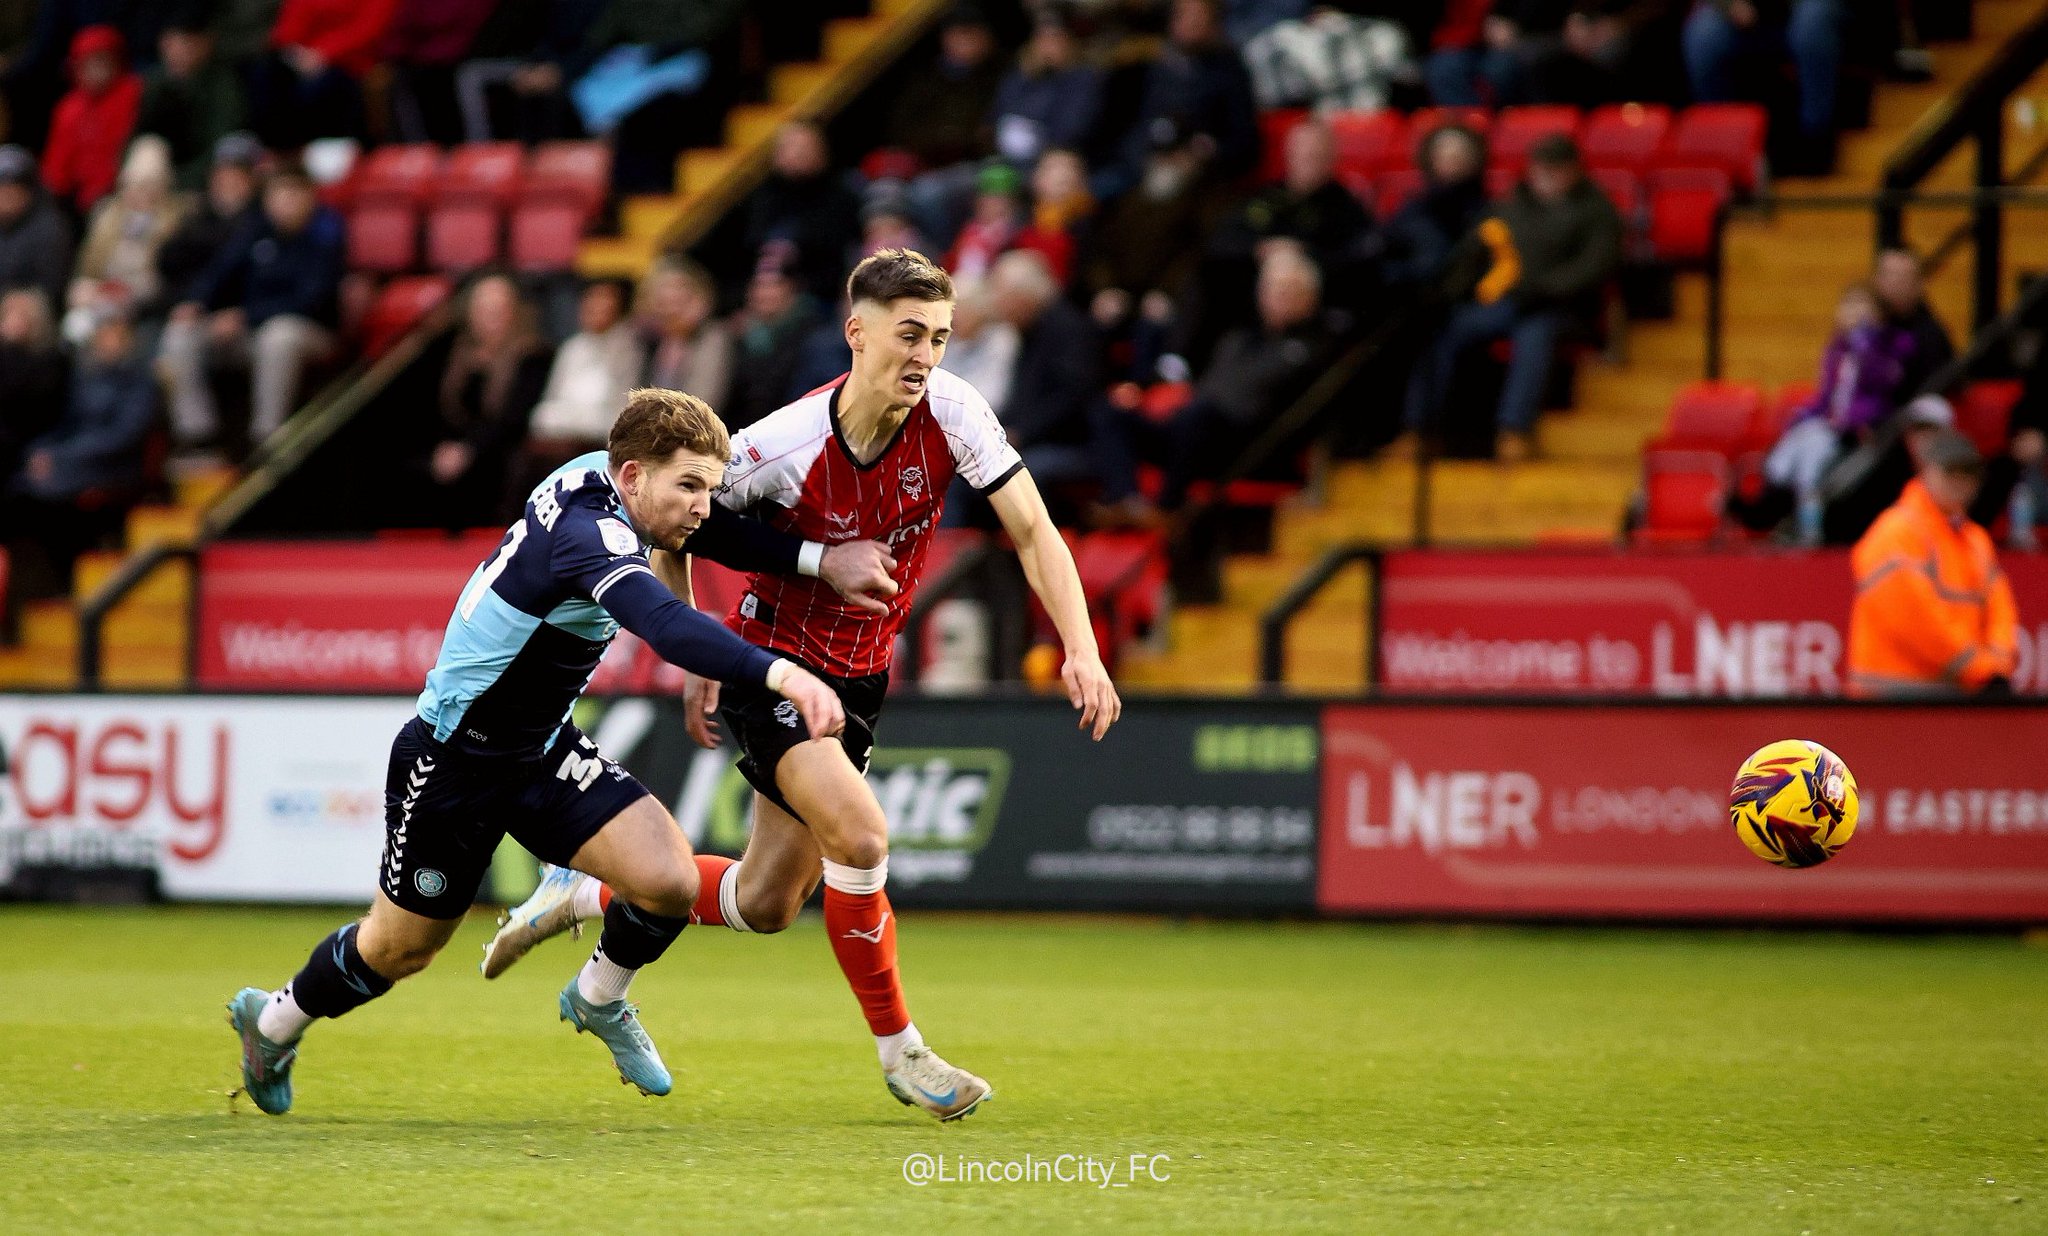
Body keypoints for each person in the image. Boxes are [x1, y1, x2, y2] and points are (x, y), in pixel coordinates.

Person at [482, 249, 1124, 1123]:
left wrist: (1080, 649)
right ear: (856, 333)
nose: (925, 357)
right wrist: (700, 650)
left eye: (938, 337)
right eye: (908, 335)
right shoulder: (779, 446)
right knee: (862, 837)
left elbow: (1035, 528)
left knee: (768, 900)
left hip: (861, 679)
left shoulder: (956, 410)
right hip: (774, 662)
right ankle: (905, 1055)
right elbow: (678, 521)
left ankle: (587, 905)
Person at [225, 388, 870, 1116]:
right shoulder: (589, 534)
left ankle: (598, 997)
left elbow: (705, 536)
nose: (702, 505)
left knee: (668, 880)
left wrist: (818, 559)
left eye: (710, 487)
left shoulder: (610, 479)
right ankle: (272, 1022)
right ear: (633, 477)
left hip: (538, 749)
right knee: (399, 949)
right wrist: (776, 669)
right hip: (451, 761)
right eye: (689, 485)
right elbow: (657, 619)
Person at [1399, 133, 1620, 461]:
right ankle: (1418, 431)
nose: (1547, 177)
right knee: (1445, 329)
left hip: (1564, 309)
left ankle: (1514, 431)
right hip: (1506, 302)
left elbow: (1594, 266)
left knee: (1535, 333)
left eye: (1556, 169)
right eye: (1542, 169)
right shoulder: (1510, 206)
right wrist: (1450, 290)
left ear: (1574, 171)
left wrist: (1545, 289)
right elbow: (1474, 252)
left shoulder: (1597, 211)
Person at [1095, 245, 1336, 516]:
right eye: (1273, 288)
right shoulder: (1238, 340)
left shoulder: (1317, 346)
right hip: (1195, 433)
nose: (1279, 297)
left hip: (1252, 445)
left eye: (1289, 290)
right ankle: (1127, 501)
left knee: (1200, 414)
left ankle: (1166, 510)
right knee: (1111, 410)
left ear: (1310, 297)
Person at [159, 162, 344, 454]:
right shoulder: (256, 231)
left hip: (310, 332)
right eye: (279, 194)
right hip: (249, 332)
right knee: (181, 334)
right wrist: (196, 304)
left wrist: (246, 316)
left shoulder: (325, 233)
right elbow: (219, 272)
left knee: (279, 336)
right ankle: (197, 436)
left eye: (294, 194)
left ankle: (267, 437)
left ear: (310, 197)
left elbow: (311, 300)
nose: (286, 202)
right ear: (268, 198)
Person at [1846, 428, 2017, 698]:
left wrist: (1997, 667)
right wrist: (1981, 670)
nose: (1960, 483)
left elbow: (2000, 611)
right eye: (1951, 473)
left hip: (1956, 698)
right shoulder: (1896, 532)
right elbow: (1916, 619)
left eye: (1968, 475)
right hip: (1890, 703)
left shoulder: (1976, 540)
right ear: (1926, 472)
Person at [1762, 283, 1917, 545]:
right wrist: (1805, 415)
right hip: (1830, 424)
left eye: (1861, 305)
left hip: (1859, 428)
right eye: (1849, 305)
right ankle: (1772, 505)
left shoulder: (1892, 344)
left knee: (1813, 451)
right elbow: (1827, 397)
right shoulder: (1836, 350)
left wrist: (1866, 344)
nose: (1854, 312)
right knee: (1794, 446)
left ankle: (1809, 522)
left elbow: (1884, 386)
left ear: (1878, 313)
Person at [420, 272, 551, 525]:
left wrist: (468, 450)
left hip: (499, 449)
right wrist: (445, 447)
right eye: (483, 309)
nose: (490, 317)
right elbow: (438, 411)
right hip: (455, 446)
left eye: (498, 309)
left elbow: (513, 419)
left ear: (514, 312)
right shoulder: (454, 354)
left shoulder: (531, 356)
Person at [1684, 0, 1846, 171]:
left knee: (1812, 20)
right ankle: (1723, 145)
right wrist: (1731, 4)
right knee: (1704, 33)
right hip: (1752, 15)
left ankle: (1815, 141)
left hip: (1808, 8)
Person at [65, 135, 188, 344]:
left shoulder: (176, 220)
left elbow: (169, 277)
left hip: (146, 305)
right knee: (76, 328)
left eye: (149, 186)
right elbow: (88, 267)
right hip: (103, 298)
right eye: (136, 185)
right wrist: (91, 290)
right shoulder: (106, 215)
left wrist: (131, 295)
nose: (141, 193)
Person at [522, 279, 645, 476]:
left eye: (603, 304)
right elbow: (550, 402)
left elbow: (622, 408)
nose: (594, 309)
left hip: (602, 436)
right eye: (590, 303)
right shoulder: (571, 348)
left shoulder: (629, 350)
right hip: (563, 432)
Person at [135, 17, 249, 191]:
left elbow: (221, 138)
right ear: (163, 44)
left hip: (202, 173)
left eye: (189, 43)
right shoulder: (152, 84)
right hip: (162, 174)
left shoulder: (222, 83)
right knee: (147, 150)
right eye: (175, 42)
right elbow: (136, 132)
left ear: (206, 44)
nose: (181, 50)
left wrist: (186, 179)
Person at [40, 25, 143, 217]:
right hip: (75, 196)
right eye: (87, 62)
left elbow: (123, 149)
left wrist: (100, 188)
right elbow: (56, 164)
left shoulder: (133, 94)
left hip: (118, 191)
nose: (96, 69)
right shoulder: (69, 106)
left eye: (102, 61)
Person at [1871, 246, 1954, 400]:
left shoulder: (1931, 336)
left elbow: (1936, 393)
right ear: (1876, 280)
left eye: (1903, 278)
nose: (1895, 285)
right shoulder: (1865, 328)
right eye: (1889, 276)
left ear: (1919, 284)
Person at [0, 145, 77, 311]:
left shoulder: (51, 229)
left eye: (13, 189)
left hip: (29, 309)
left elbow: (50, 290)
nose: (6, 196)